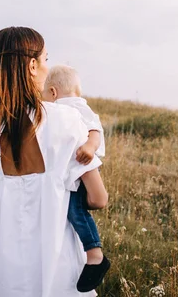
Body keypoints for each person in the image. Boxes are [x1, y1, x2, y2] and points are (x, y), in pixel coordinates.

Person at [0, 27, 109, 297]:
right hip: (55, 264)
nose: (48, 67)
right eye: (46, 59)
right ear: (33, 65)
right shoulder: (67, 120)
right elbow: (98, 198)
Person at [42, 65, 111, 292]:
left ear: (53, 92)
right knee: (75, 209)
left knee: (76, 210)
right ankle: (92, 255)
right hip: (76, 169)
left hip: (82, 167)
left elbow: (95, 130)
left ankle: (95, 255)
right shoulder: (72, 105)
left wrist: (90, 147)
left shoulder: (73, 107)